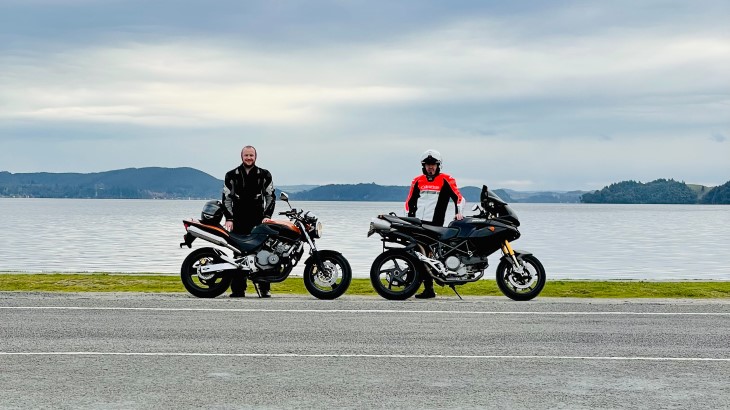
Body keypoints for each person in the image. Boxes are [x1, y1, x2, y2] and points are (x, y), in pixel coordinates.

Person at [405, 149, 465, 299]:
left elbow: (459, 198)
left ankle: (427, 287)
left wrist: (459, 213)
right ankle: (413, 286)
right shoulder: (417, 181)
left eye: (433, 165)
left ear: (438, 165)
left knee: (427, 255)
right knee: (416, 253)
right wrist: (408, 219)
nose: (430, 167)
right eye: (427, 165)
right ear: (423, 166)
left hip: (435, 225)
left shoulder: (446, 179)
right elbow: (409, 202)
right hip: (417, 224)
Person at [222, 145, 276, 298]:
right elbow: (226, 198)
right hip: (238, 219)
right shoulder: (231, 175)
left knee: (263, 253)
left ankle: (264, 288)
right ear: (241, 156)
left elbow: (270, 196)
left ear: (255, 157)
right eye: (246, 155)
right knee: (239, 255)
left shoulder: (264, 175)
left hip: (259, 220)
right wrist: (229, 218)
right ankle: (238, 290)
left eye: (251, 155)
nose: (249, 158)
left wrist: (267, 216)